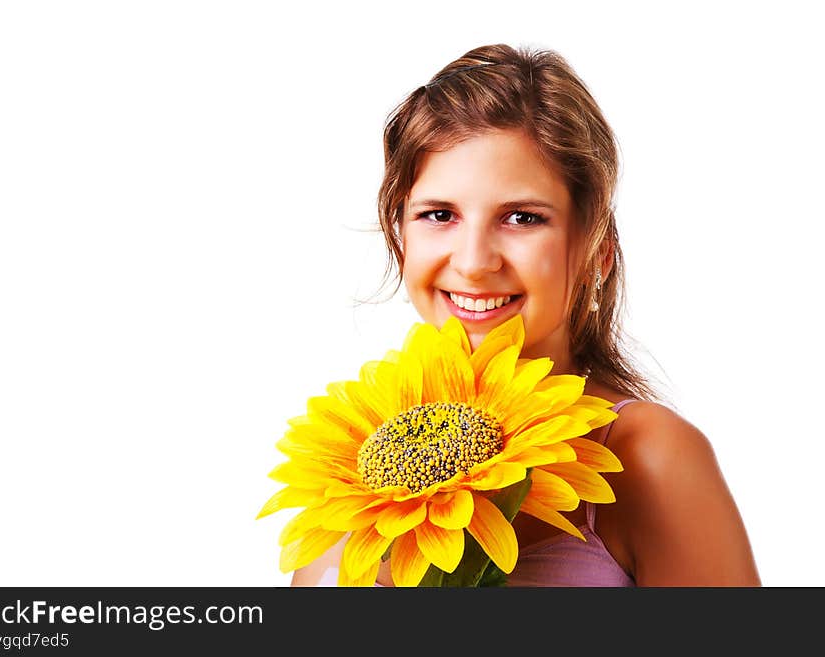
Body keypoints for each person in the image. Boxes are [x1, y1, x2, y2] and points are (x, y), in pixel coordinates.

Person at [290, 43, 761, 587]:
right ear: (401, 238)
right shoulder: (345, 461)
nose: (472, 263)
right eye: (439, 215)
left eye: (521, 217)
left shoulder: (650, 457)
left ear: (597, 250)